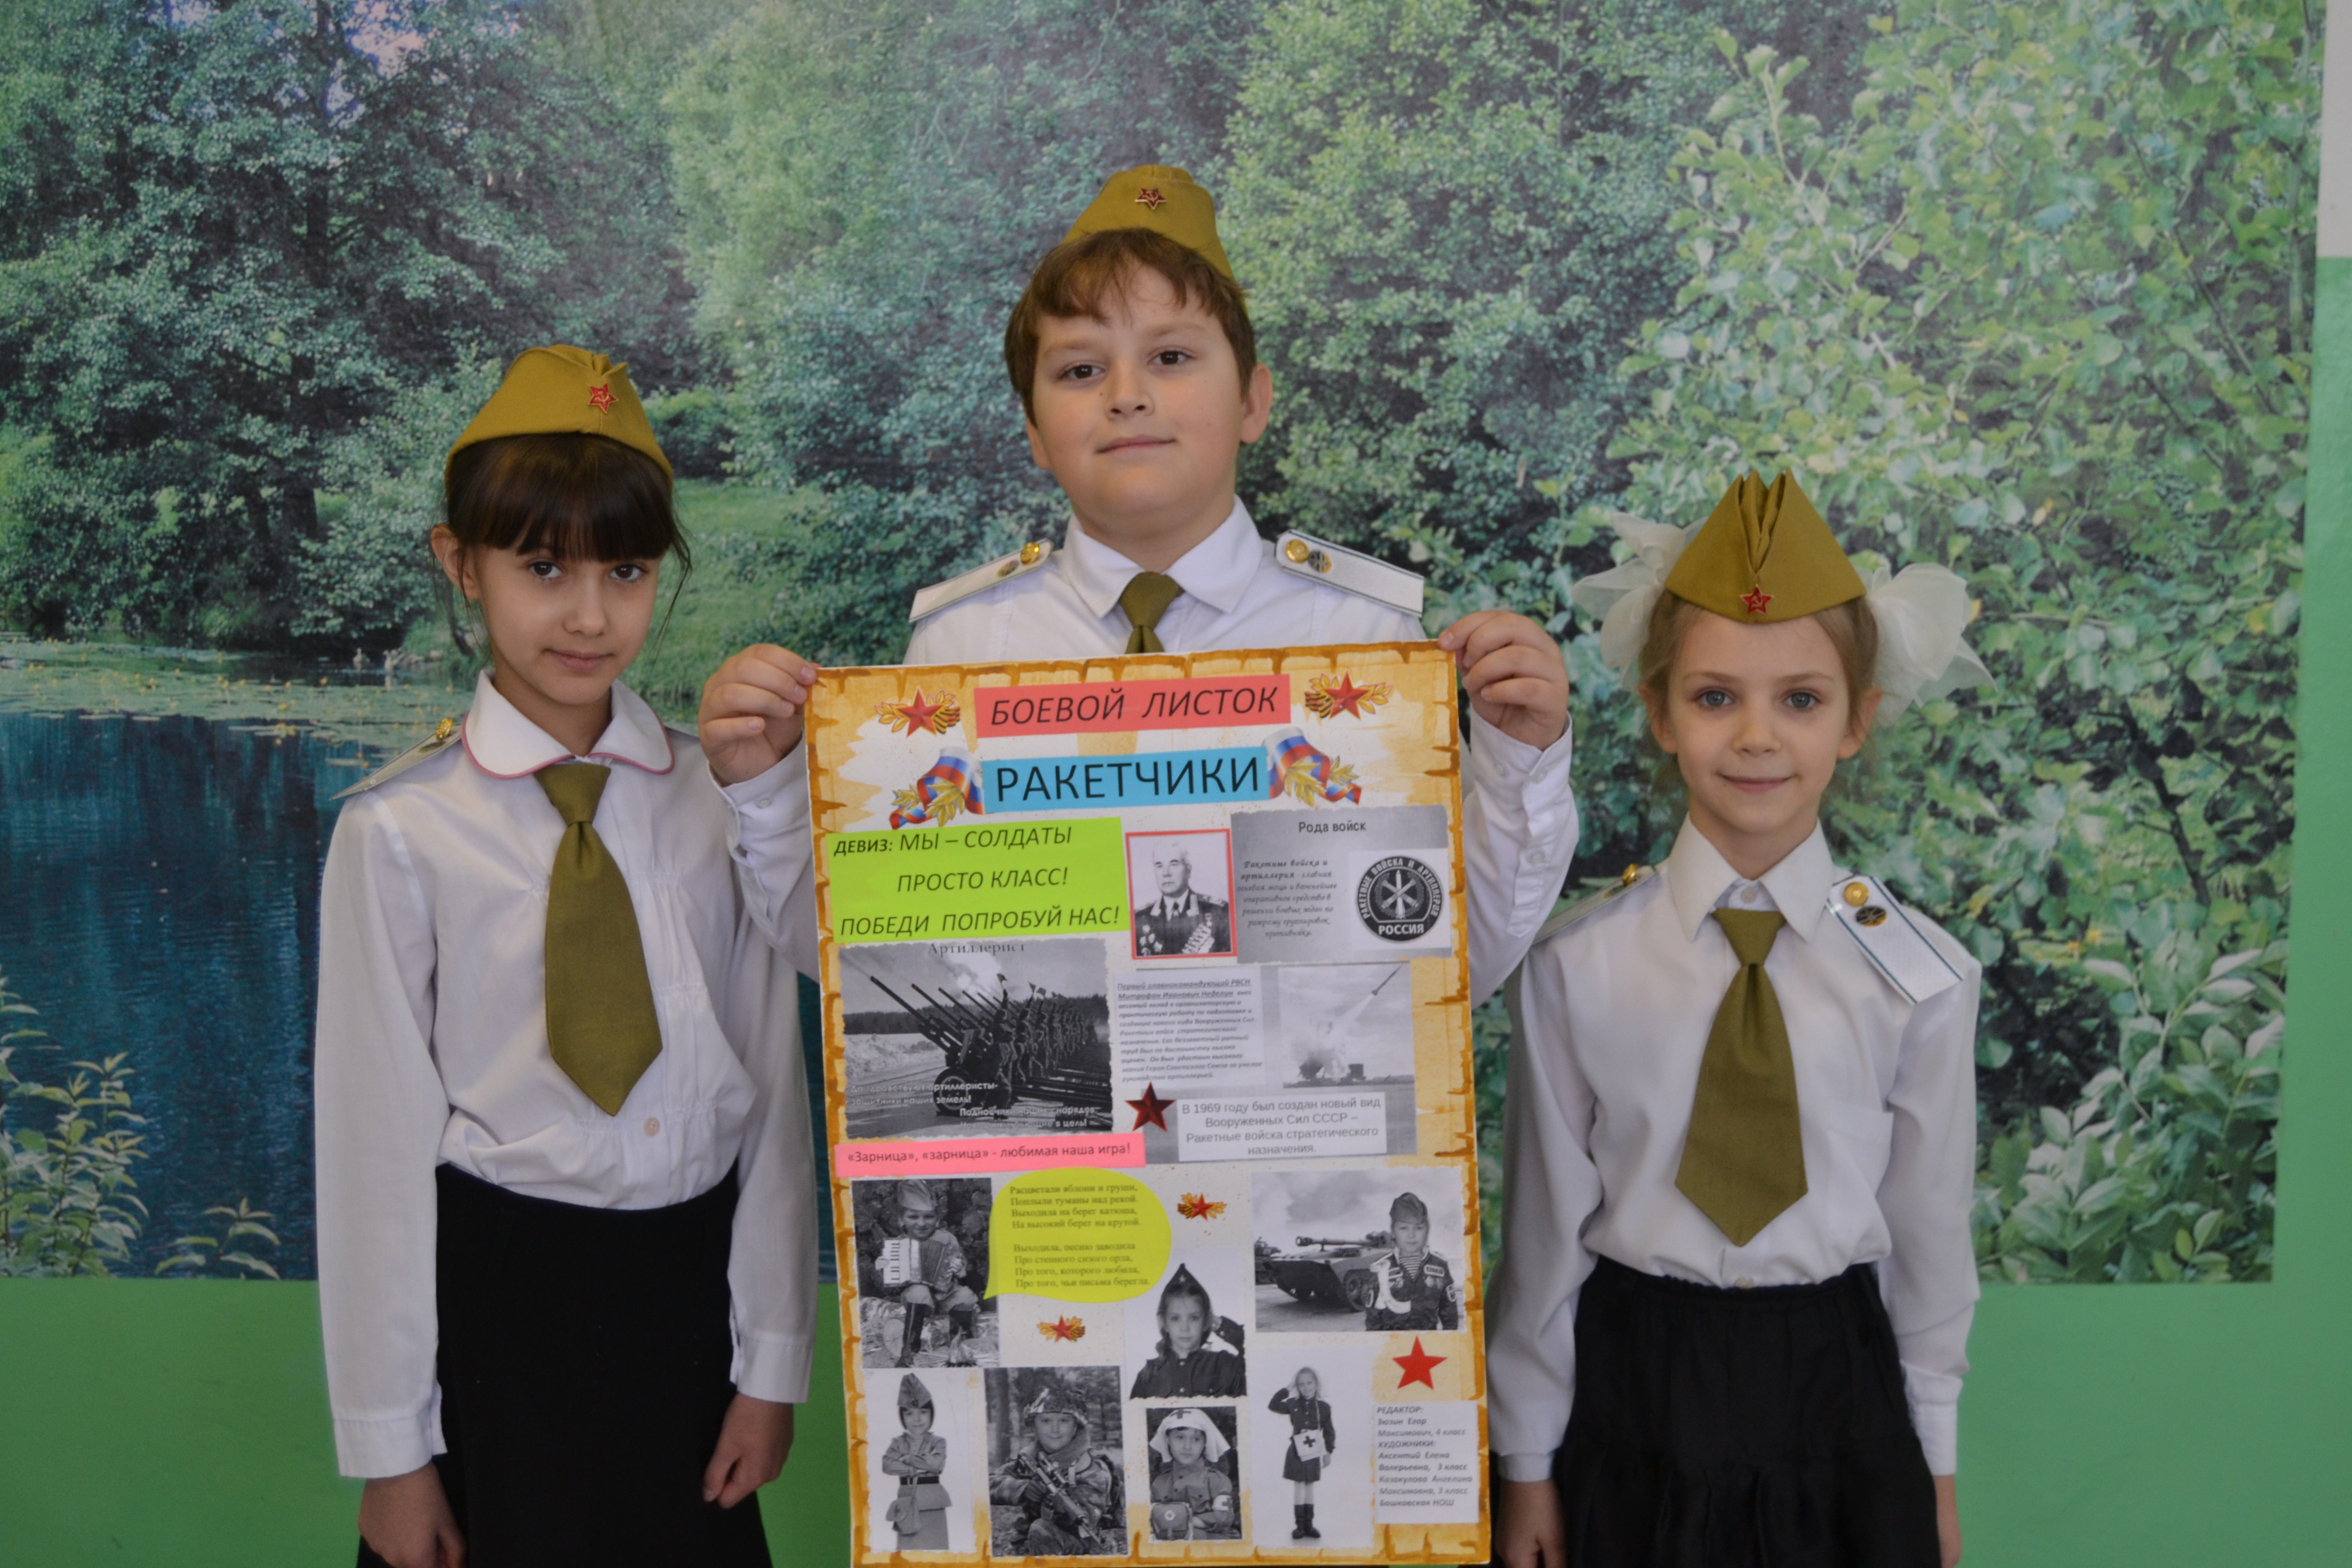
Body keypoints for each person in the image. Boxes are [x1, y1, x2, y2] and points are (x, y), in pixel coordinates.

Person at [697, 165, 1579, 1009]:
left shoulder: (1363, 634)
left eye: (1171, 356)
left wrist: (1519, 761)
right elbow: (874, 952)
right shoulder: (962, 645)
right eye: (1081, 370)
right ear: (1033, 429)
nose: (1126, 395)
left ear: (1253, 402)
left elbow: (1457, 957)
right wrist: (771, 792)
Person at [314, 346, 819, 1568]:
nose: (590, 616)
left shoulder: (719, 794)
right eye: (543, 568)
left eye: (626, 570)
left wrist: (771, 1363)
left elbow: (771, 1084)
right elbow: (373, 1157)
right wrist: (391, 1450)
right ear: (461, 564)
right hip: (500, 1318)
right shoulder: (400, 829)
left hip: (686, 1312)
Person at [1487, 472, 1991, 1568]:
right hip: (1633, 1396)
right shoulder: (1577, 966)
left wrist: (1936, 1471)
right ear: (1661, 713)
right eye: (1716, 697)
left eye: (1800, 700)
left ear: (1858, 720)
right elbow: (1542, 1239)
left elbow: (1927, 1235)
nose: (1757, 736)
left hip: (1841, 1404)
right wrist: (1524, 1464)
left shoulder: (1920, 977)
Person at [989, 1381, 1121, 1556]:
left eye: (1064, 1421)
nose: (1055, 1430)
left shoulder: (1092, 1467)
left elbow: (1086, 1521)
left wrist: (1058, 1507)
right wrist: (1021, 1489)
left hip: (1087, 1547)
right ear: (1034, 1425)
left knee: (1042, 1529)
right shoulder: (1031, 1457)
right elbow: (987, 1483)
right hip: (1042, 1541)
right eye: (1046, 1421)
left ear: (1076, 1426)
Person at [877, 1178, 980, 1367]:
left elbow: (961, 1266)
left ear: (937, 1218)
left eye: (929, 1217)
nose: (922, 1223)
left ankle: (961, 1341)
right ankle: (908, 1352)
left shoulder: (947, 1239)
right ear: (901, 1219)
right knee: (919, 1291)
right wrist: (884, 1266)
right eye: (913, 1217)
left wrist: (960, 1268)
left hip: (946, 1295)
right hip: (918, 1301)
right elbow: (891, 1282)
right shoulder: (898, 1246)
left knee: (965, 1295)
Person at [1129, 1262, 1246, 1398]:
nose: (1185, 1328)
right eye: (1175, 1319)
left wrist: (1223, 1326)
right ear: (1164, 1323)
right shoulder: (1148, 1375)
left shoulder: (1225, 1365)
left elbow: (1252, 1354)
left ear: (1205, 1322)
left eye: (1194, 1318)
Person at [1364, 1190, 1460, 1332]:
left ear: (1427, 1230)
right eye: (1403, 1228)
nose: (1411, 1235)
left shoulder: (1440, 1267)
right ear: (1393, 1232)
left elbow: (1450, 1318)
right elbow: (1373, 1322)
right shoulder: (1381, 1270)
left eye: (1419, 1228)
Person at [880, 1374, 952, 1550]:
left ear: (932, 1414)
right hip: (906, 1504)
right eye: (909, 1414)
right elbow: (887, 1465)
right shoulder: (898, 1443)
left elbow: (936, 1465)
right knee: (908, 1551)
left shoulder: (938, 1442)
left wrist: (908, 1459)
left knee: (936, 1549)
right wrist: (915, 1470)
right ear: (902, 1417)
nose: (917, 1419)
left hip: (933, 1502)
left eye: (923, 1412)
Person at [1147, 1408, 1239, 1540]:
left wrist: (1185, 1523)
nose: (1188, 1446)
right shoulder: (1159, 1483)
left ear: (1205, 1443)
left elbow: (1223, 1517)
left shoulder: (1216, 1480)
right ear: (1167, 1440)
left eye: (1196, 1439)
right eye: (1180, 1437)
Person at [1268, 1367, 1337, 1541]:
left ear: (1316, 1383)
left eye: (1309, 1383)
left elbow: (1329, 1431)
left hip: (1313, 1452)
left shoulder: (1324, 1408)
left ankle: (1309, 1525)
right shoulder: (1292, 1404)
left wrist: (1328, 1452)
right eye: (1301, 1384)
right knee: (1299, 1485)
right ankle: (1299, 1526)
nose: (1306, 1388)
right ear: (1297, 1386)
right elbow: (1273, 1405)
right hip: (1297, 1452)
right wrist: (1287, 1390)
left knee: (1310, 1485)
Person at [1132, 838, 1232, 957]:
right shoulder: (1139, 918)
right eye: (1159, 866)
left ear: (1188, 870)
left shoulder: (1219, 912)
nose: (1166, 873)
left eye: (1174, 864)